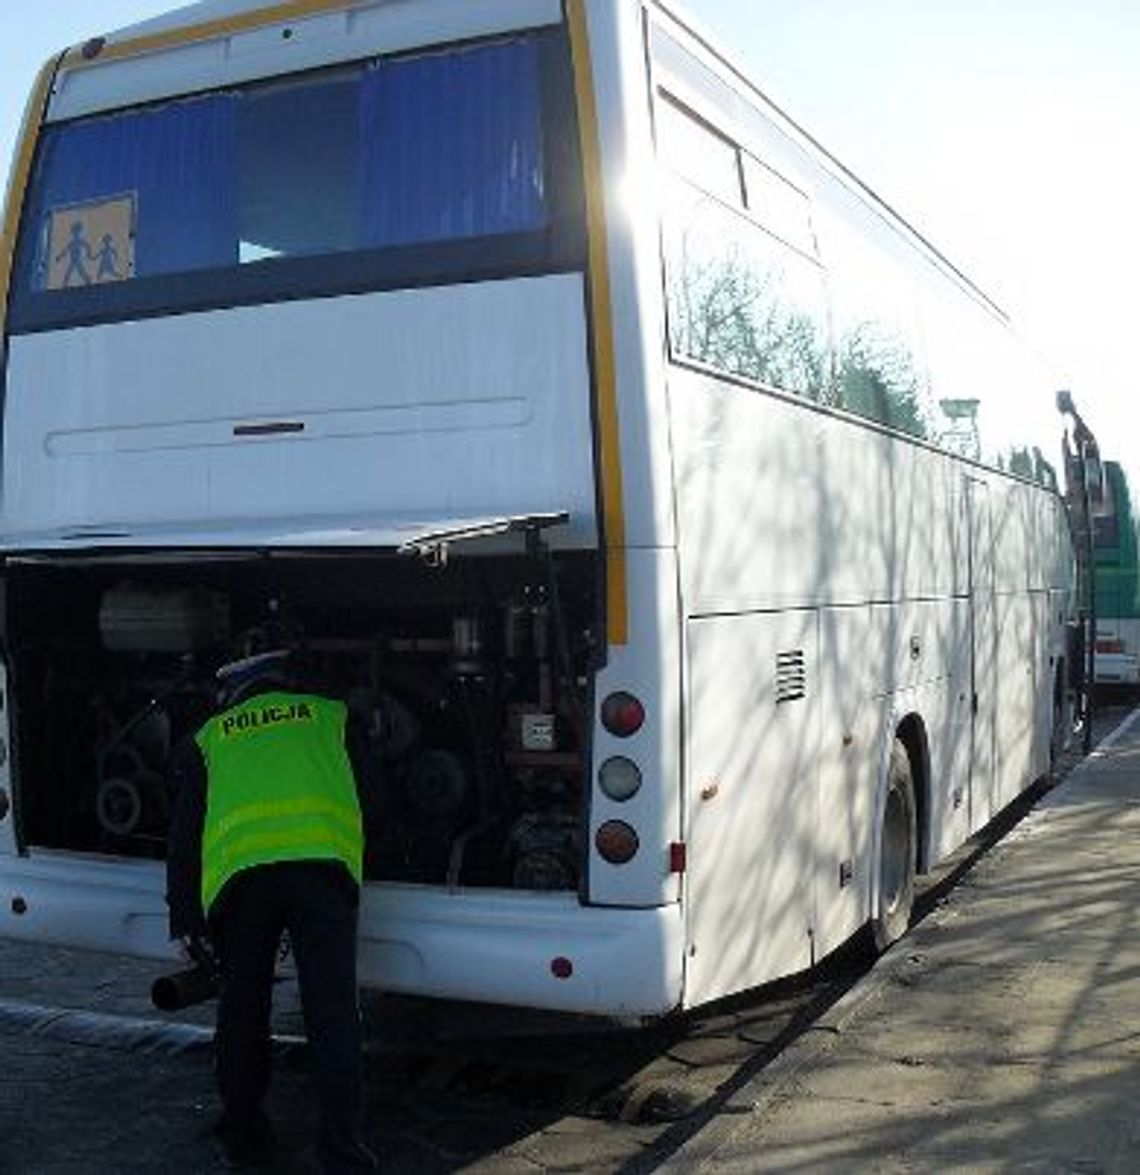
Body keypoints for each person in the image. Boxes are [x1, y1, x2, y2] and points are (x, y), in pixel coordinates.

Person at [166, 649, 379, 1172]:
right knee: (332, 1013)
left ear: (236, 693)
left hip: (242, 883)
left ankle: (244, 1135)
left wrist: (185, 920)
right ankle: (341, 1149)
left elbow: (184, 839)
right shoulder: (330, 718)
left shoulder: (210, 737)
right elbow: (375, 797)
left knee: (242, 1008)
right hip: (321, 873)